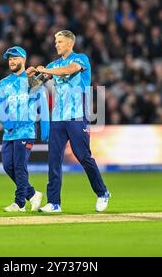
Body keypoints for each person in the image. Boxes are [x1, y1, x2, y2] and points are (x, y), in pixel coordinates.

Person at [30, 30, 110, 213]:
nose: (56, 44)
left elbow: (69, 70)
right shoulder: (54, 64)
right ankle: (54, 202)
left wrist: (46, 70)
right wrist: (30, 75)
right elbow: (36, 85)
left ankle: (102, 192)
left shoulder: (81, 59)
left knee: (83, 156)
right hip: (57, 119)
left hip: (77, 117)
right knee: (54, 160)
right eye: (55, 41)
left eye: (59, 41)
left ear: (70, 43)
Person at [0, 46, 49, 212]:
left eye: (15, 58)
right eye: (9, 58)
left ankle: (19, 203)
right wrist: (7, 123)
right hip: (9, 133)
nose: (12, 61)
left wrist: (46, 130)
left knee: (19, 167)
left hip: (26, 130)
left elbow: (43, 106)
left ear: (23, 60)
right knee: (7, 166)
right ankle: (32, 194)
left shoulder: (34, 81)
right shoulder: (3, 83)